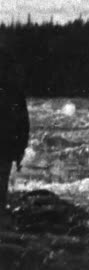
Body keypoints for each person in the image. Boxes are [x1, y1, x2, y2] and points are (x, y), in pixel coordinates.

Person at [0, 54, 29, 225]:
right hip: (7, 145)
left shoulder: (15, 92)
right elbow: (24, 125)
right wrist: (20, 151)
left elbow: (23, 124)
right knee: (2, 179)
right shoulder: (16, 91)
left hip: (6, 144)